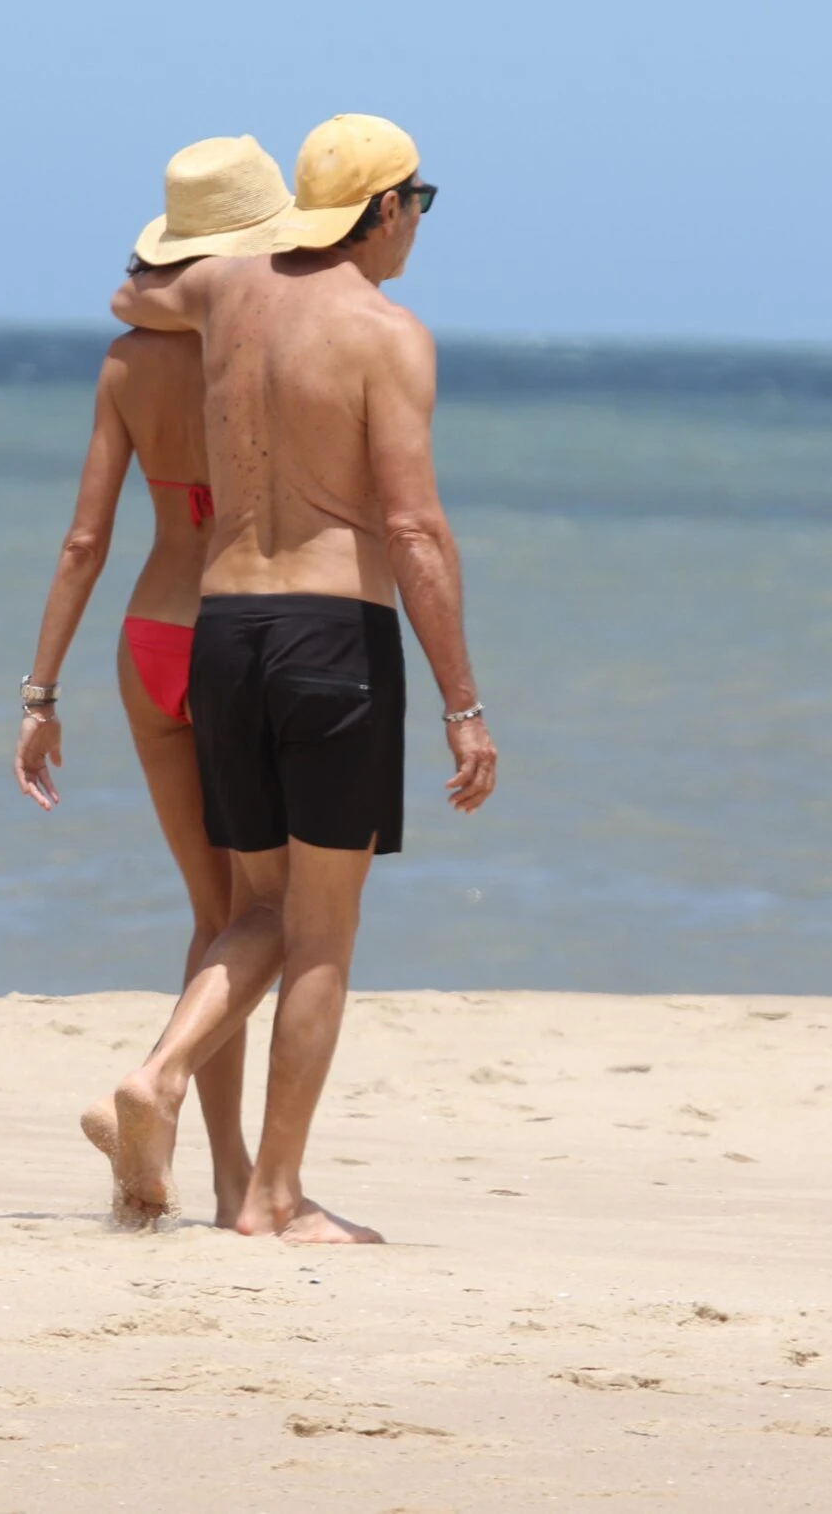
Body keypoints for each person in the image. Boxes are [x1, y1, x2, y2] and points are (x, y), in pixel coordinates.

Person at [91, 113, 498, 1244]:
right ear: (381, 211)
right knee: (320, 932)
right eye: (418, 199)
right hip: (332, 641)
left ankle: (161, 1071)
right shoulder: (386, 332)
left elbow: (133, 296)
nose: (419, 220)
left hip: (223, 631)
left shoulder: (227, 292)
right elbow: (414, 529)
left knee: (252, 908)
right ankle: (273, 1196)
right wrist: (463, 702)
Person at [14, 134, 298, 1226]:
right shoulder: (264, 346)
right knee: (269, 912)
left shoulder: (127, 360)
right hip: (240, 631)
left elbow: (83, 540)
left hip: (147, 637)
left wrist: (40, 694)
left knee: (208, 912)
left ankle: (210, 1169)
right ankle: (171, 1100)